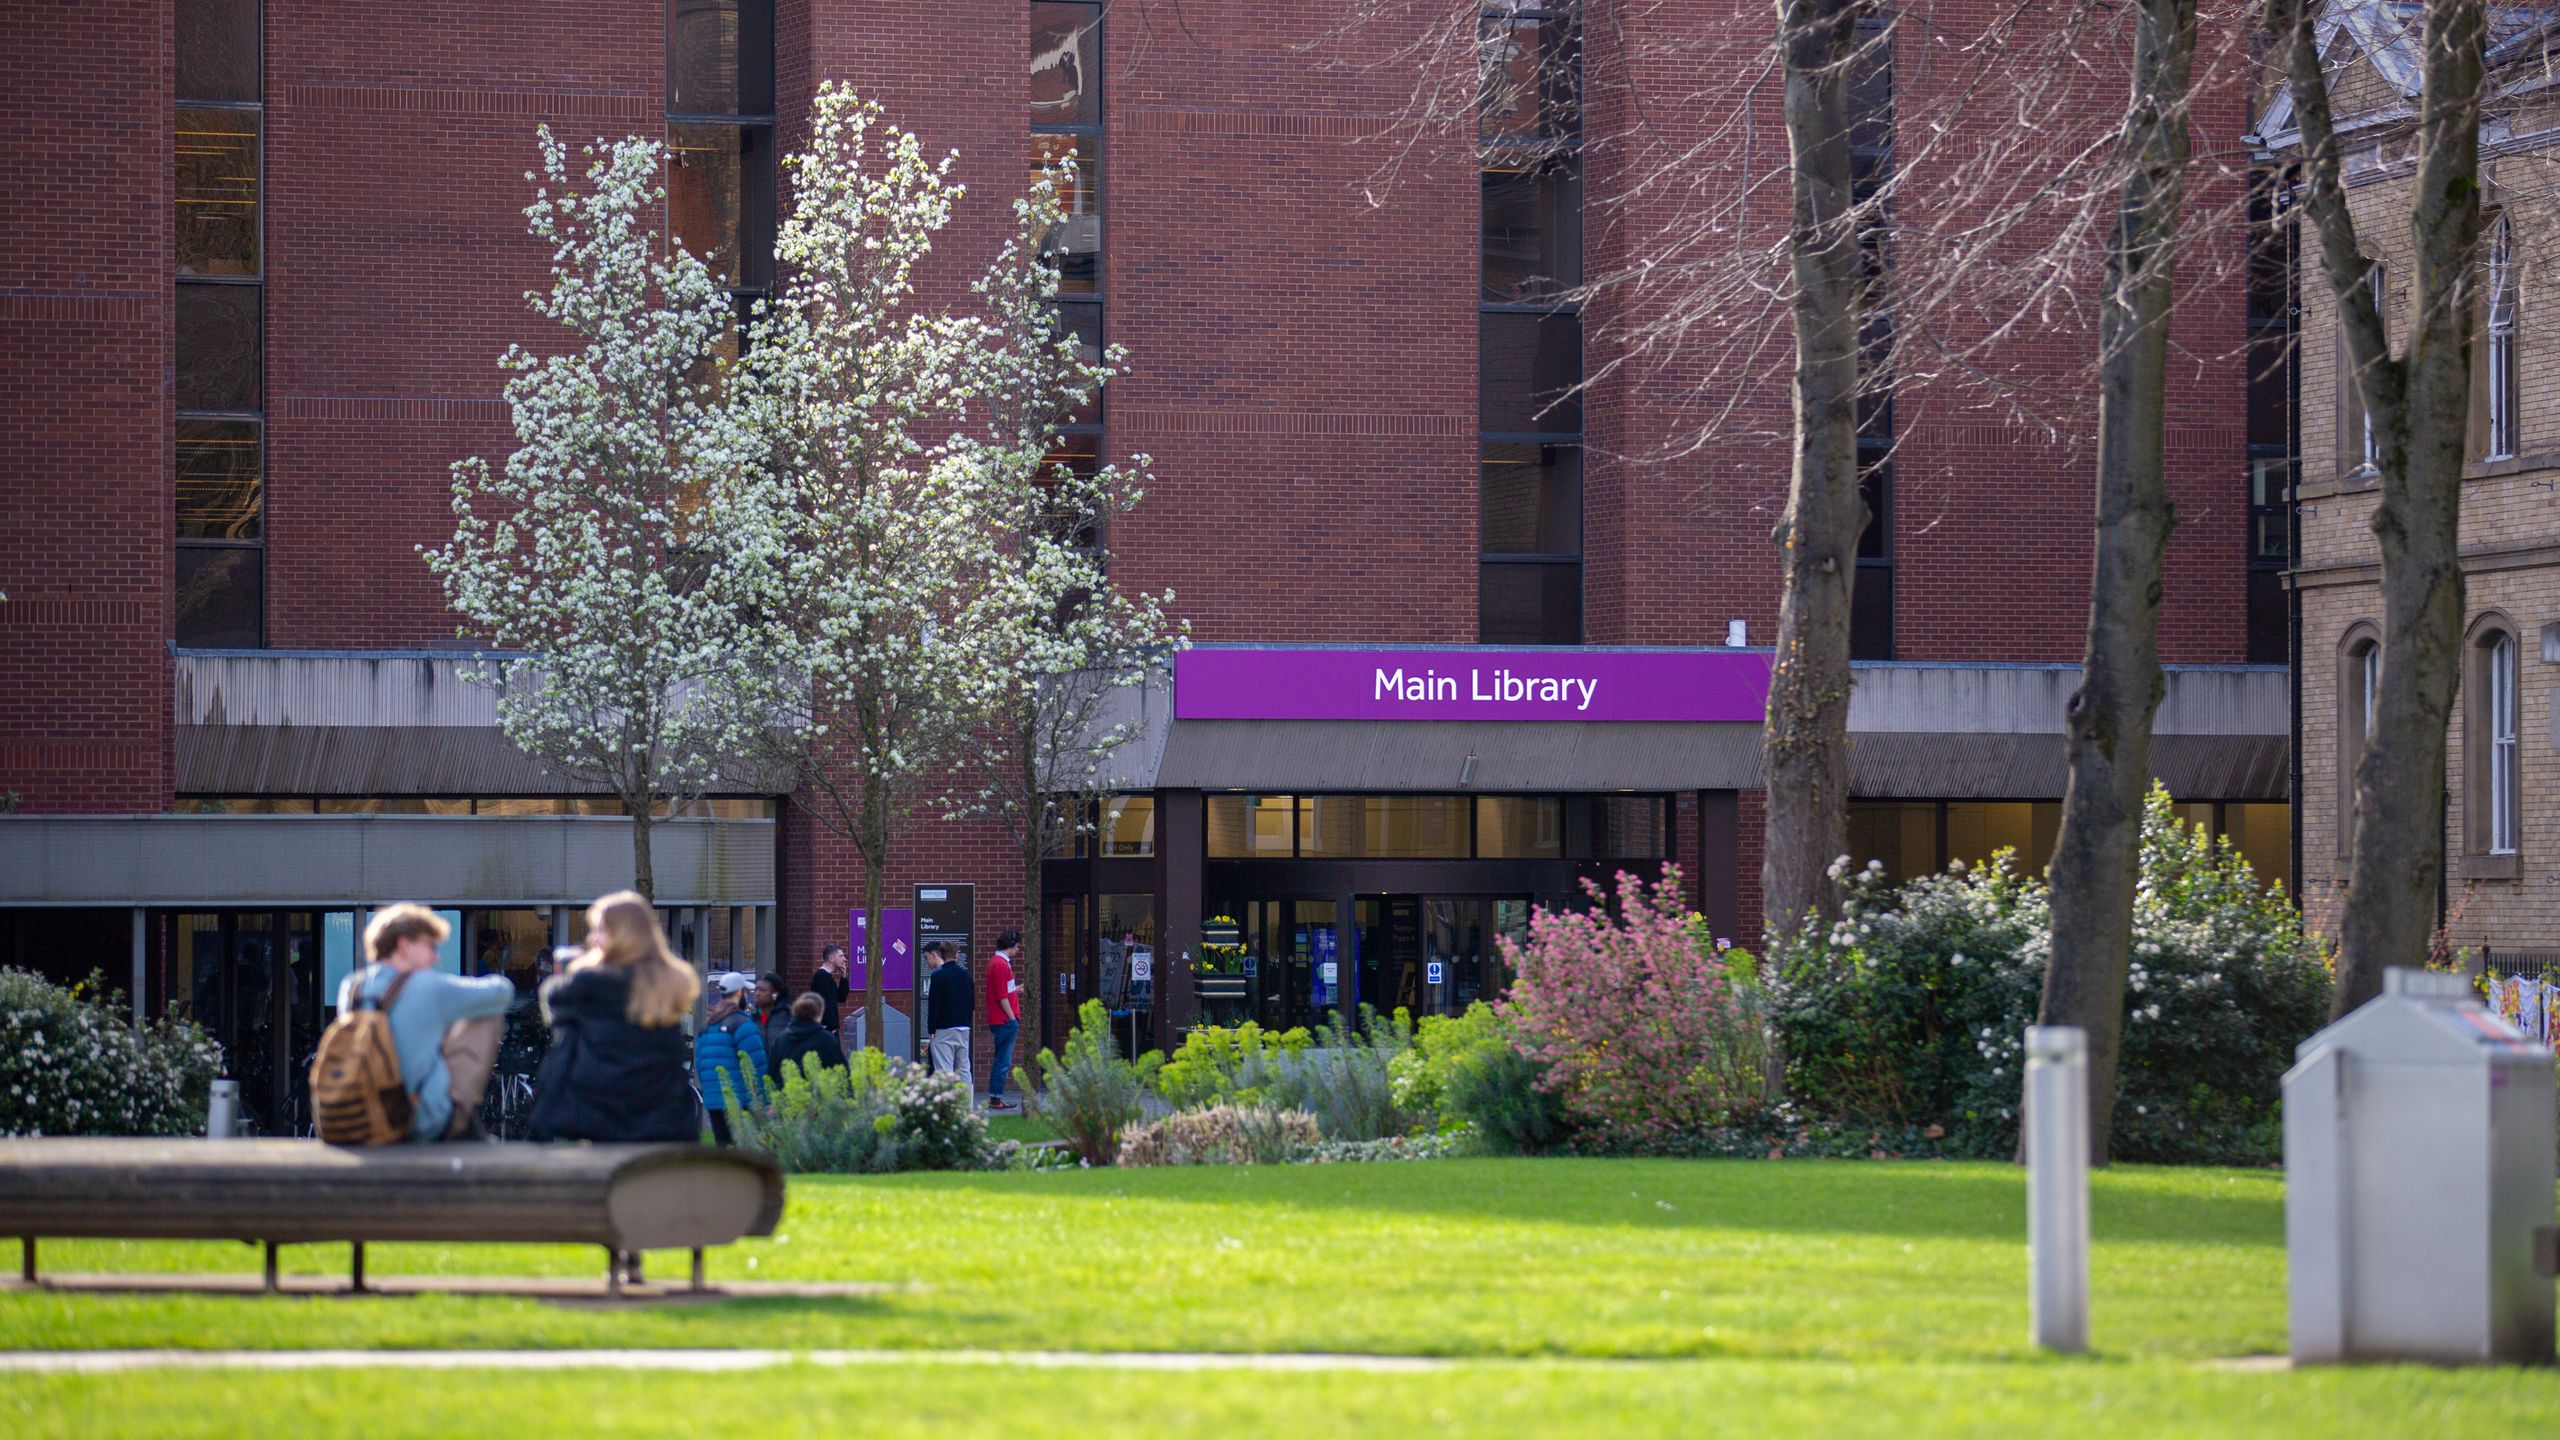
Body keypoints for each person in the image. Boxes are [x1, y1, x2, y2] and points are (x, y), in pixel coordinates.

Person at [529, 891, 702, 1144]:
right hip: (664, 1125)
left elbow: (561, 1058)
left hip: (603, 1122)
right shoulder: (668, 986)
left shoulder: (587, 985)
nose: (591, 939)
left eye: (599, 930)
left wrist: (539, 1128)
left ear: (621, 934)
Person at [337, 904, 515, 1142]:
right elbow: (503, 992)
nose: (435, 956)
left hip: (361, 1116)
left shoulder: (352, 986)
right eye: (430, 946)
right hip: (418, 1121)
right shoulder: (426, 985)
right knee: (486, 1011)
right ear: (404, 946)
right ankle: (464, 1118)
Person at [694, 971, 769, 1145]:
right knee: (744, 1152)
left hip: (714, 1101)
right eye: (746, 992)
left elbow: (701, 1063)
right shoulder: (743, 1024)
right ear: (739, 992)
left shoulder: (707, 1025)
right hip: (740, 1100)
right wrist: (763, 1099)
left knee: (723, 1151)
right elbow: (757, 1064)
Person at [923, 940, 974, 1093]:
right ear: (956, 954)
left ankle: (946, 1104)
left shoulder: (939, 976)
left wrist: (931, 1028)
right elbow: (971, 1003)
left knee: (944, 1069)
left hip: (944, 1027)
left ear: (941, 955)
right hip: (963, 1026)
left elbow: (934, 1005)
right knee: (964, 1068)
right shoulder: (966, 975)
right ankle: (966, 1106)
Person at [982, 930, 1024, 1112]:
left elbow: (1004, 991)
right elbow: (1001, 996)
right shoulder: (1000, 965)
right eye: (1017, 946)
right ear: (1011, 945)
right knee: (1003, 1061)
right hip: (1005, 1019)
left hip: (1002, 1018)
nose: (1018, 949)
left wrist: (1015, 990)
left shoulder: (998, 963)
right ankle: (996, 1098)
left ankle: (996, 1098)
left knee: (1002, 1059)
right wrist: (1012, 1017)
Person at [769, 992, 847, 1081]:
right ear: (821, 1011)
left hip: (786, 1092)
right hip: (818, 1092)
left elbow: (772, 1073)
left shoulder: (781, 1038)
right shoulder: (825, 1039)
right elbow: (841, 1074)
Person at [809, 945, 848, 1033]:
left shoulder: (827, 977)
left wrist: (844, 976)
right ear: (831, 958)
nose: (844, 959)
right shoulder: (822, 977)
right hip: (826, 1029)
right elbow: (825, 1003)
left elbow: (841, 997)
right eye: (841, 956)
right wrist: (831, 1026)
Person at [752, 971, 791, 1056]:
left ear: (775, 994)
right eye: (756, 989)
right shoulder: (754, 1018)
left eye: (762, 990)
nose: (757, 993)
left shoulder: (788, 1016)